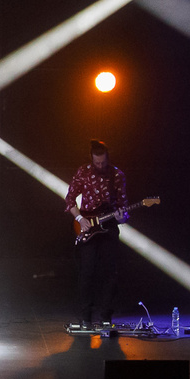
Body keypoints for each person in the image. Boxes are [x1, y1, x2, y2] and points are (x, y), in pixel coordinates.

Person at [65, 141, 128, 335]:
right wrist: (79, 218)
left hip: (108, 228)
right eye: (96, 163)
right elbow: (69, 200)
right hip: (87, 227)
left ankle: (106, 317)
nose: (100, 166)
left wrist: (121, 217)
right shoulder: (83, 172)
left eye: (102, 163)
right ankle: (86, 317)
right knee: (87, 273)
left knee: (111, 274)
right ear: (91, 159)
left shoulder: (117, 175)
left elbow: (123, 210)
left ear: (107, 158)